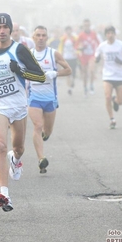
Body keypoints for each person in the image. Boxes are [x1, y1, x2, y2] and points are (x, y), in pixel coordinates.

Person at [0, 13, 46, 212]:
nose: (0, 31)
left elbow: (40, 76)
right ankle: (4, 194)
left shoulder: (19, 50)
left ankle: (16, 161)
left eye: (4, 27)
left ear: (10, 29)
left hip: (17, 106)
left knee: (18, 148)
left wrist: (21, 72)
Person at [29, 25, 72, 173]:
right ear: (33, 37)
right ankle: (41, 158)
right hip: (33, 97)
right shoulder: (28, 54)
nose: (40, 38)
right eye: (38, 35)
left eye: (43, 35)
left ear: (47, 38)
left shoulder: (54, 54)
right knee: (37, 126)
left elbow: (68, 70)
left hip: (50, 99)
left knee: (47, 131)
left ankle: (44, 137)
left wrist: (55, 73)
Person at [95, 26, 122, 129]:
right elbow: (97, 56)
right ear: (105, 35)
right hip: (107, 75)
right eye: (108, 33)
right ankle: (112, 119)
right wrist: (97, 59)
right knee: (107, 96)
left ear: (115, 34)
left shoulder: (121, 45)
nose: (110, 35)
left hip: (120, 76)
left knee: (121, 101)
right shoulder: (102, 46)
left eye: (112, 33)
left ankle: (115, 100)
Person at [76, 19, 100, 95]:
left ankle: (91, 85)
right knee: (85, 74)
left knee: (91, 70)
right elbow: (76, 45)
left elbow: (98, 43)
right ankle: (85, 87)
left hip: (91, 55)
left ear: (90, 25)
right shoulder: (81, 35)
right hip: (83, 56)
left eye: (88, 25)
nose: (87, 27)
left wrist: (98, 52)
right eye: (85, 25)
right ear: (83, 26)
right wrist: (80, 48)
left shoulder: (93, 34)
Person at [59, 26, 78, 95]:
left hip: (73, 57)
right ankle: (69, 88)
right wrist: (60, 56)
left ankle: (73, 81)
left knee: (73, 73)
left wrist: (77, 52)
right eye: (67, 30)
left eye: (70, 30)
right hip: (66, 58)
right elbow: (61, 47)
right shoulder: (63, 39)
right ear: (66, 31)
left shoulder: (75, 38)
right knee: (67, 73)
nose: (68, 32)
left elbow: (78, 45)